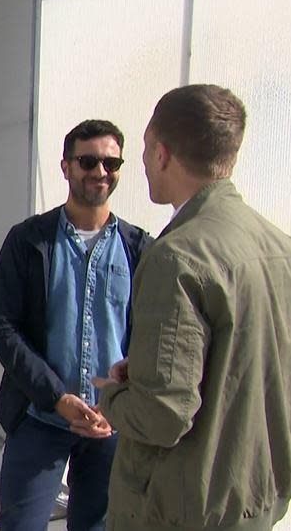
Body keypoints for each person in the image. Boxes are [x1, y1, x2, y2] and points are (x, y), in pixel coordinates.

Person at [93, 84, 291, 530]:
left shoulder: (176, 257)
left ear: (162, 154)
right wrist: (143, 370)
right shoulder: (280, 247)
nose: (140, 163)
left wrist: (113, 395)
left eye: (143, 149)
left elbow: (163, 416)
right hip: (257, 501)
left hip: (186, 510)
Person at [0, 119, 152, 530]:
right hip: (41, 416)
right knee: (20, 524)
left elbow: (151, 334)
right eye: (88, 161)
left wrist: (123, 398)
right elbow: (2, 327)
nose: (100, 172)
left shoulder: (139, 249)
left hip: (109, 425)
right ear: (66, 167)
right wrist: (56, 396)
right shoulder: (29, 241)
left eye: (111, 164)